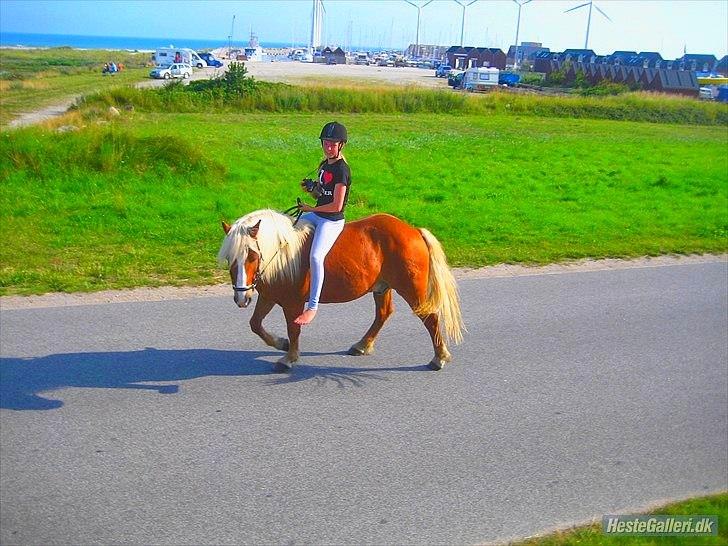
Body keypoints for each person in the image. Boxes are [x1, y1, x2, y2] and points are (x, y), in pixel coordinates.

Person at [294, 121, 351, 326]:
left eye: (332, 144)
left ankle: (312, 306)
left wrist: (311, 209)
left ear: (341, 145)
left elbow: (336, 206)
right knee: (290, 227)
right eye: (325, 143)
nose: (328, 147)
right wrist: (311, 189)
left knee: (316, 257)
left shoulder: (342, 170)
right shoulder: (324, 165)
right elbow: (322, 194)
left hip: (332, 221)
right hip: (318, 214)